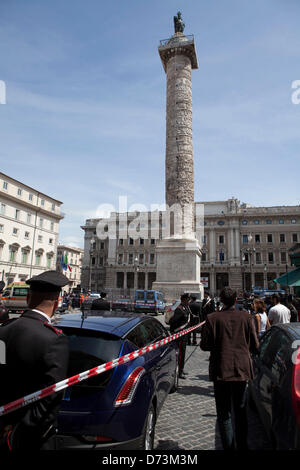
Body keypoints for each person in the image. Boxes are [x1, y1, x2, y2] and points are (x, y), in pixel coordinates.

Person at [0, 270, 70, 451]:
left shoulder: (4, 330)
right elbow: (51, 398)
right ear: (57, 302)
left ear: (28, 297)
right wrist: (16, 435)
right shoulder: (54, 340)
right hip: (30, 439)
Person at [200, 287, 259, 450]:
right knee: (240, 411)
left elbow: (204, 345)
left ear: (220, 299)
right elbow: (255, 345)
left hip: (221, 370)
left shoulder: (212, 318)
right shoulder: (247, 317)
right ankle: (243, 446)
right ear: (235, 300)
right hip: (241, 370)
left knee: (224, 413)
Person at [169, 293, 191, 379]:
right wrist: (175, 333)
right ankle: (179, 372)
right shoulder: (179, 309)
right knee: (180, 354)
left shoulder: (185, 308)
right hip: (180, 337)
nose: (189, 302)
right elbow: (173, 322)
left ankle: (181, 369)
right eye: (188, 300)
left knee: (183, 353)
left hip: (184, 336)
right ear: (184, 300)